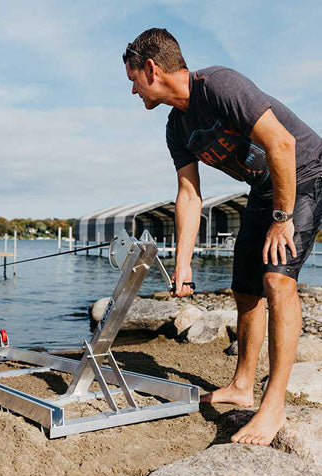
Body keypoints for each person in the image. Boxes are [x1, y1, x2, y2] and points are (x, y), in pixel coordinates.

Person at [123, 28, 322, 446]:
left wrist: (283, 218)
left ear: (152, 69)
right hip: (265, 189)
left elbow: (282, 144)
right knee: (245, 290)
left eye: (134, 80)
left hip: (306, 173)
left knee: (277, 280)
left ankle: (274, 406)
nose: (133, 90)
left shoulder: (219, 86)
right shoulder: (176, 128)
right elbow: (189, 194)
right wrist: (182, 263)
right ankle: (243, 385)